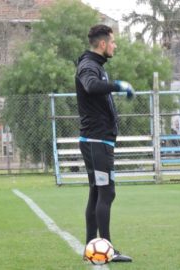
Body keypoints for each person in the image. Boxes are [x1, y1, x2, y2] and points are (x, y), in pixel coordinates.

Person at [75, 24, 135, 262]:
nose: (115, 45)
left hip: (97, 140)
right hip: (97, 141)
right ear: (103, 44)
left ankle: (91, 248)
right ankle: (106, 249)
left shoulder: (95, 65)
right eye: (112, 41)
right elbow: (91, 86)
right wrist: (118, 85)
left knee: (96, 192)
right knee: (106, 193)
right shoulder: (89, 66)